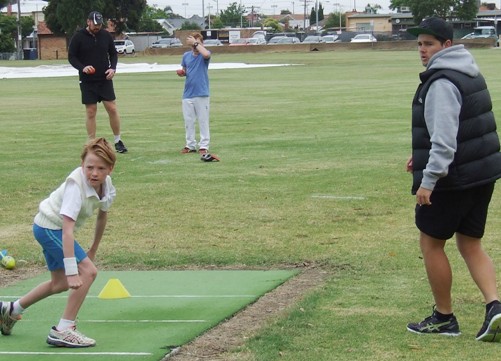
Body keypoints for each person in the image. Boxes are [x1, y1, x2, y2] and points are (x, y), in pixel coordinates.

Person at [405, 17, 501, 341]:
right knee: (470, 243)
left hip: (453, 179)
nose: (422, 50)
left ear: (447, 45)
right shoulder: (468, 70)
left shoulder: (441, 82)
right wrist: (419, 158)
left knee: (431, 243)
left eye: (429, 44)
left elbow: (445, 142)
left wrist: (428, 179)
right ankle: (495, 308)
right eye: (419, 43)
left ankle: (444, 318)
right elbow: (465, 127)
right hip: (482, 174)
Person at [0, 137, 117, 347]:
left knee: (59, 283)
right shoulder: (75, 186)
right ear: (82, 165)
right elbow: (67, 229)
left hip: (52, 229)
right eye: (89, 167)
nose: (94, 173)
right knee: (88, 272)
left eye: (100, 168)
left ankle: (12, 309)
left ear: (111, 168)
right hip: (49, 228)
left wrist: (93, 250)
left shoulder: (106, 185)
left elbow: (102, 216)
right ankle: (64, 329)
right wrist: (73, 270)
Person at [68, 11, 128, 154]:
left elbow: (113, 54)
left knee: (112, 108)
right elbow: (72, 57)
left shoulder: (106, 35)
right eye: (95, 24)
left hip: (104, 78)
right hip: (87, 80)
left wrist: (113, 68)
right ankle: (91, 143)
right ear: (88, 22)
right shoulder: (78, 37)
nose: (97, 27)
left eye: (100, 24)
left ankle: (118, 140)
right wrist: (83, 68)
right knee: (91, 111)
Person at [177, 32, 212, 155]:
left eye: (196, 43)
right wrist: (182, 72)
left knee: (203, 120)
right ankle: (190, 144)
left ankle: (204, 145)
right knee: (188, 121)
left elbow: (206, 54)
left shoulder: (204, 55)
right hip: (188, 93)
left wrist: (196, 43)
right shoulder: (186, 56)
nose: (194, 47)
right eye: (192, 44)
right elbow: (186, 70)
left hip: (201, 92)